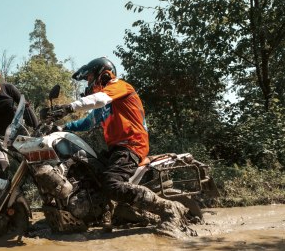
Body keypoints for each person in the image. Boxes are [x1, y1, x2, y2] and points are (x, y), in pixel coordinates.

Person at [54, 57, 190, 234]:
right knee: (87, 171)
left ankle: (170, 209)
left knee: (112, 184)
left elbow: (99, 99)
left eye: (89, 78)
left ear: (102, 74)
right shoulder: (104, 106)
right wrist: (61, 127)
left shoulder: (119, 86)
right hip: (117, 149)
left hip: (132, 145)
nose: (88, 83)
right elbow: (86, 123)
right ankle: (103, 213)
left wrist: (69, 107)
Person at [0, 60, 38, 179]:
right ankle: (0, 193)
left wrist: (37, 127)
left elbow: (24, 106)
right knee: (2, 166)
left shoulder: (9, 89)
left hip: (17, 133)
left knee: (35, 161)